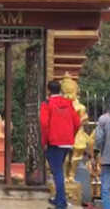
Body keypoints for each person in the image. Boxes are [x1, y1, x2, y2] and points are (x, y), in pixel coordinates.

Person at [40, 80, 81, 209]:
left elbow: (44, 124)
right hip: (67, 141)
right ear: (60, 90)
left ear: (48, 90)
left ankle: (61, 203)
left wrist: (44, 141)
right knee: (59, 169)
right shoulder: (68, 103)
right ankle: (59, 198)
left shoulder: (47, 104)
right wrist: (71, 135)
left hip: (54, 141)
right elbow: (77, 122)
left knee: (57, 171)